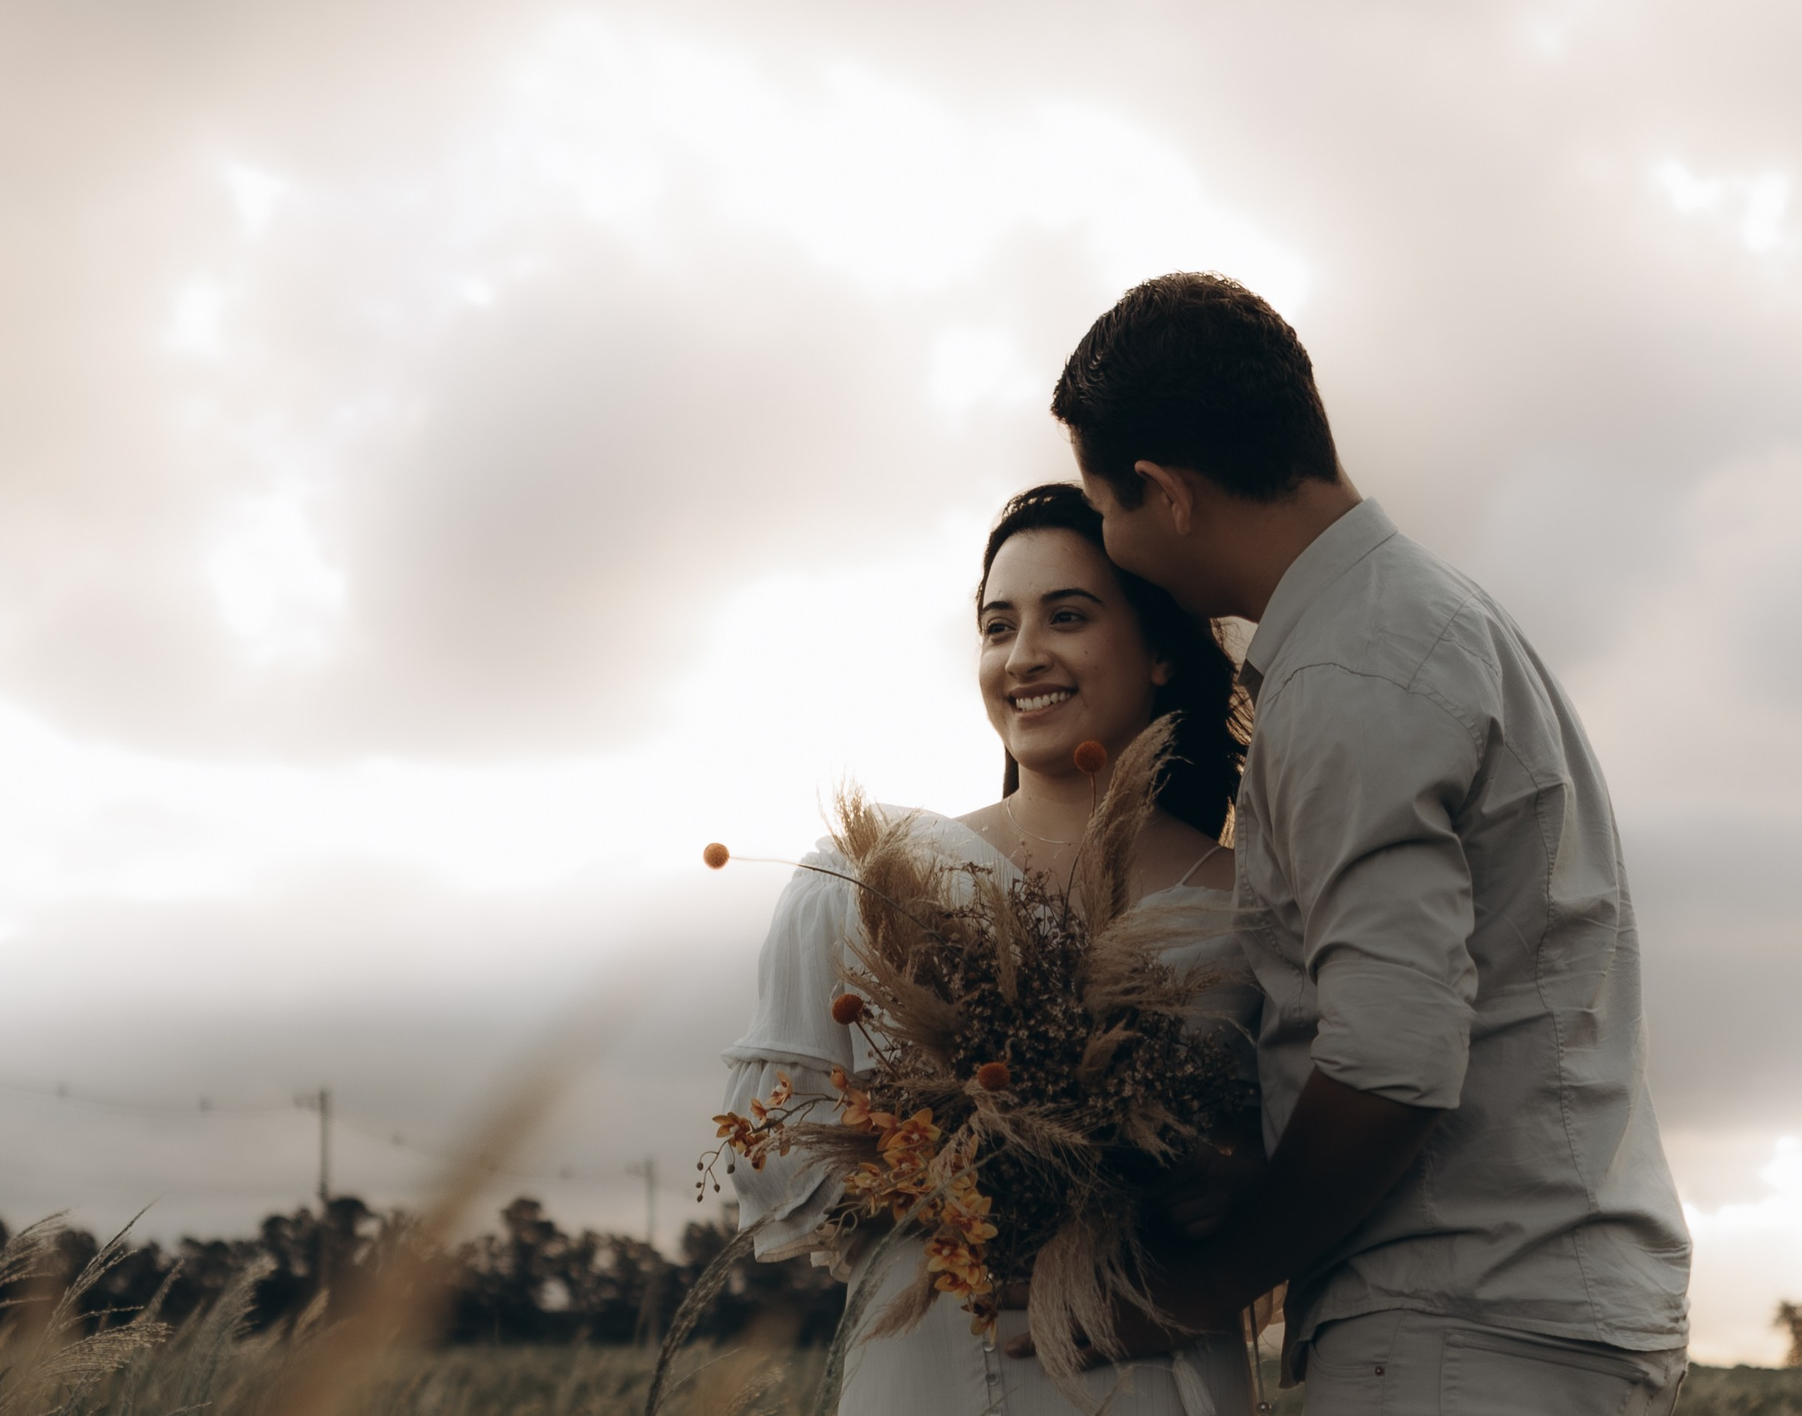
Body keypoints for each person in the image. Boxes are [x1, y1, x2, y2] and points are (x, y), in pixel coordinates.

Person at [1024, 272, 1693, 1415]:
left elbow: (1392, 1061)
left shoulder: (1348, 674)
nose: (1116, 547)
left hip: (1461, 1327)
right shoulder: (1431, 615)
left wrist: (1200, 1288)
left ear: (1167, 494)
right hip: (1533, 1308)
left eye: (1112, 514)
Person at [718, 482, 1264, 1416]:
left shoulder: (1258, 910)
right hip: (926, 1366)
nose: (1024, 656)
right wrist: (929, 1151)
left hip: (1148, 1378)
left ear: (1164, 650)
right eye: (997, 625)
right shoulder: (870, 880)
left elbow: (1311, 1148)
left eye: (1068, 616)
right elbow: (775, 1153)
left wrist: (1223, 1164)